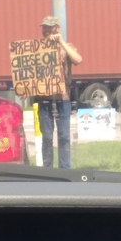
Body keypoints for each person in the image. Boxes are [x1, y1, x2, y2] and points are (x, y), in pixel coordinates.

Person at [37, 16, 82, 169]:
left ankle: (65, 170)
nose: (47, 30)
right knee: (47, 138)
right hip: (44, 100)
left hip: (63, 99)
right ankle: (48, 170)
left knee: (64, 137)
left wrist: (61, 42)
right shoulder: (36, 48)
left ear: (58, 28)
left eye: (50, 27)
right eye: (44, 27)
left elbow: (78, 60)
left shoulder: (67, 46)